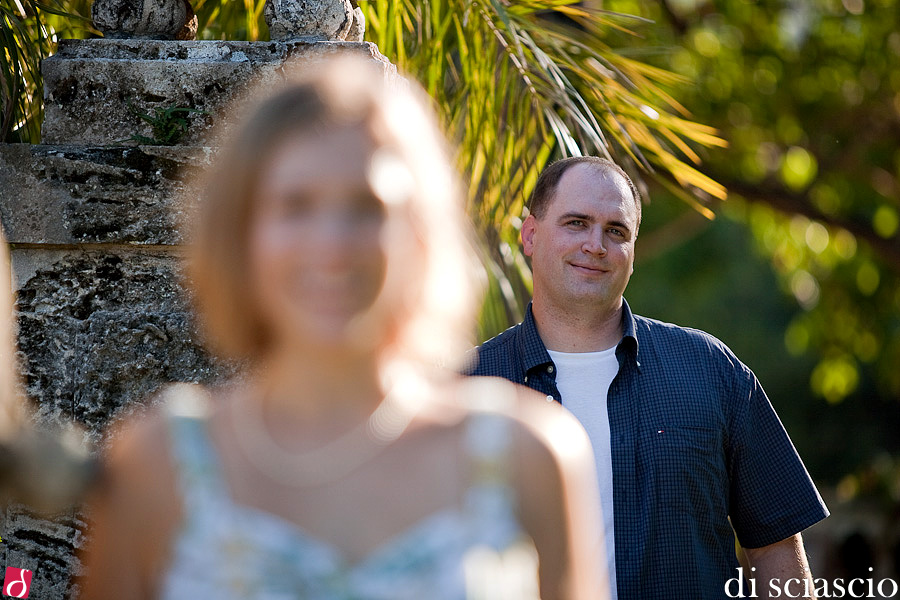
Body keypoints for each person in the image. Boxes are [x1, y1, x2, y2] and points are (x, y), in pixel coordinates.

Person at [79, 57, 608, 599]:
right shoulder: (154, 464)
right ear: (241, 230)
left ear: (420, 232)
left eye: (367, 207)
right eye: (296, 205)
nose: (331, 246)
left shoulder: (529, 457)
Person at [468, 156, 829, 599]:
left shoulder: (710, 371)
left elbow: (775, 544)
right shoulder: (466, 387)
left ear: (633, 253)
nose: (596, 245)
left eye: (616, 231)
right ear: (530, 234)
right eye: (576, 223)